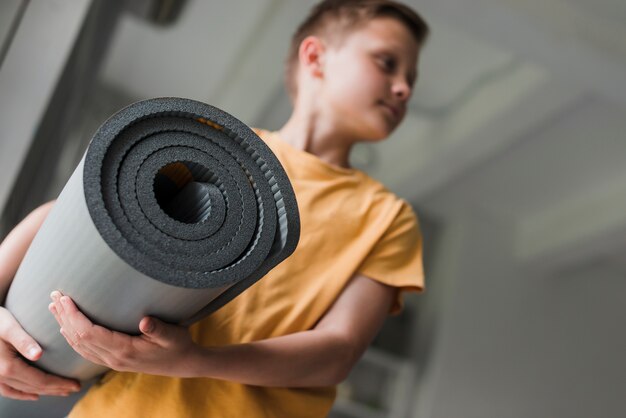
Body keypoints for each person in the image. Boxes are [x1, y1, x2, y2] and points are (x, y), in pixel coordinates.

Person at [0, 0, 429, 416]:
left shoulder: (387, 217)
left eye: (410, 76)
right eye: (387, 63)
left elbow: (338, 352)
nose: (404, 87)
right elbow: (80, 215)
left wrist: (193, 361)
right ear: (316, 57)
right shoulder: (214, 148)